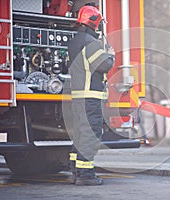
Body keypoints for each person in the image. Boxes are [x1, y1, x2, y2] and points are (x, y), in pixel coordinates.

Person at [68, 5, 115, 186]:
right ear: (94, 22)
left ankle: (75, 170)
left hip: (78, 98)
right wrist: (110, 56)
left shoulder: (74, 42)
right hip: (90, 98)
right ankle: (86, 174)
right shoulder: (90, 42)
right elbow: (103, 65)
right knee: (90, 134)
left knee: (80, 134)